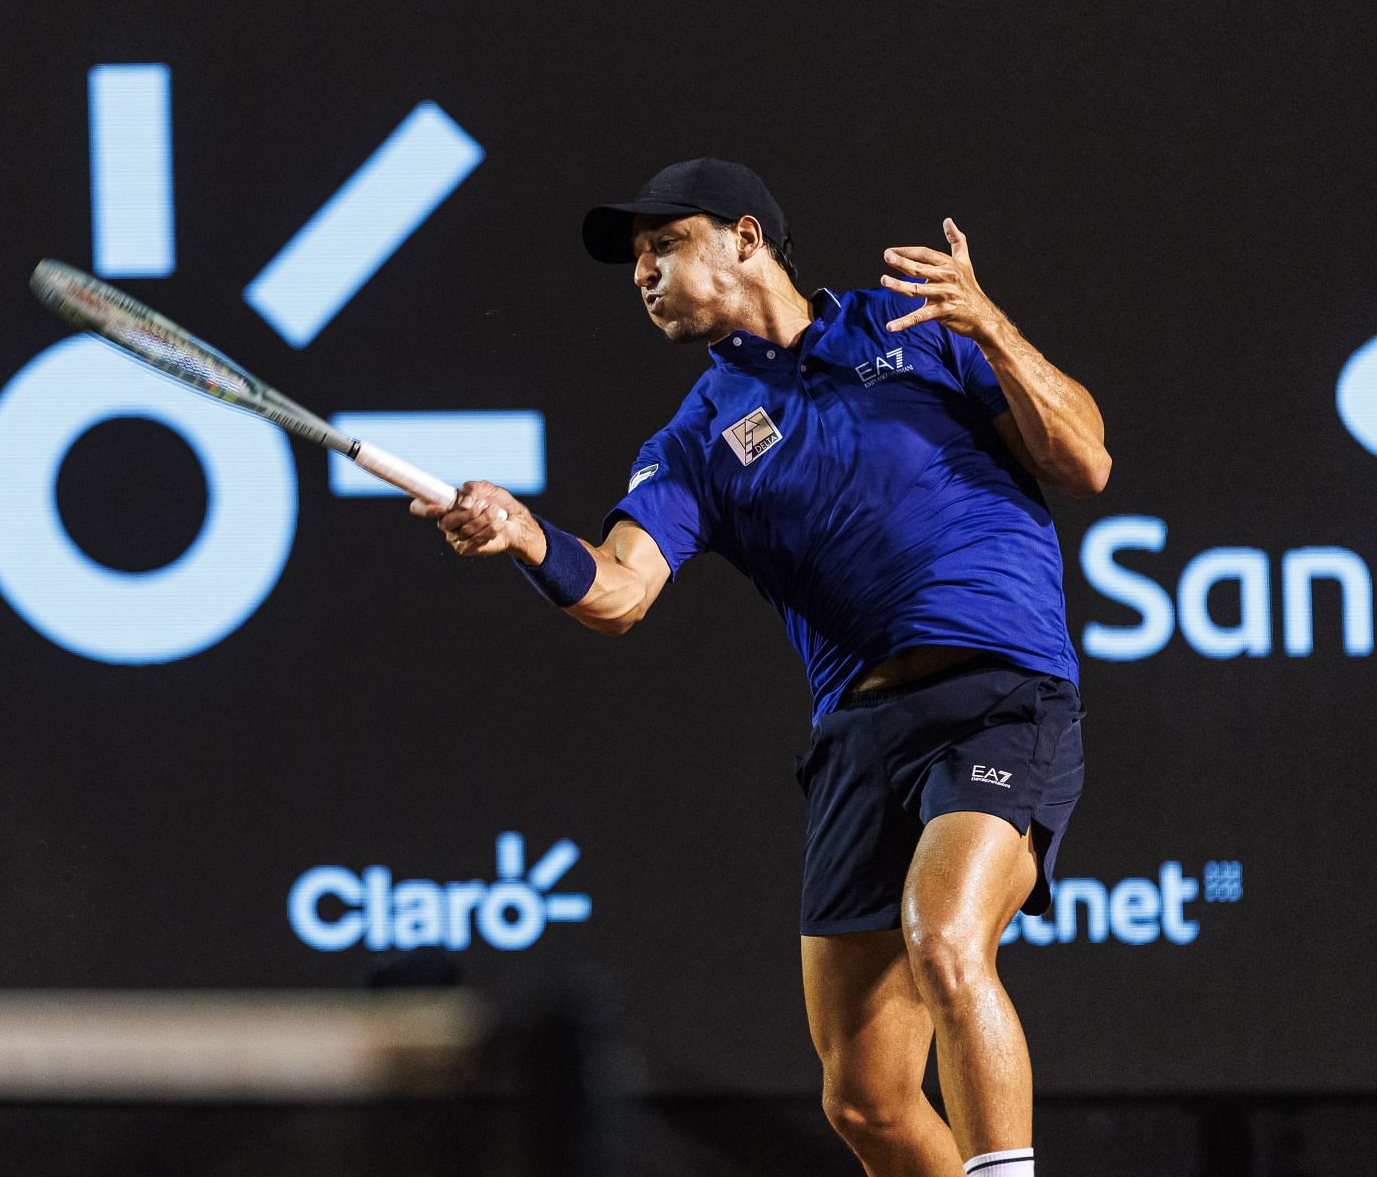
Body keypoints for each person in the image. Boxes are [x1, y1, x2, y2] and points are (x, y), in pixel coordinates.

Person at [415, 158, 1108, 1177]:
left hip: (997, 697)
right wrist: (525, 536)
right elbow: (619, 589)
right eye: (634, 261)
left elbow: (1084, 458)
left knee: (946, 935)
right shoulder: (697, 439)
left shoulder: (914, 325)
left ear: (747, 235)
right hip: (860, 739)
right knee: (866, 1099)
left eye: (663, 245)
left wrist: (990, 324)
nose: (642, 271)